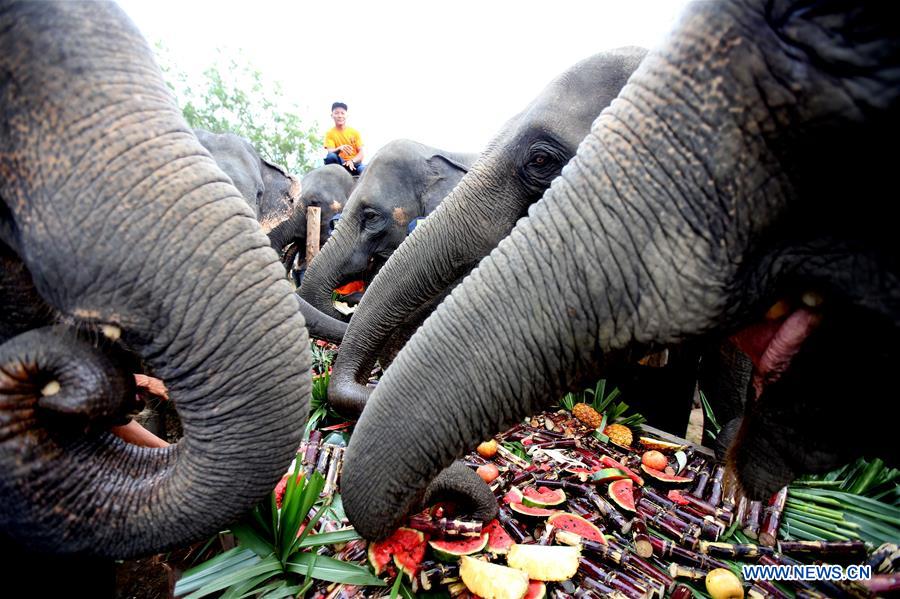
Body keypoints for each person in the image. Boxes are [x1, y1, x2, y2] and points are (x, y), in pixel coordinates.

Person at [323, 101, 365, 175]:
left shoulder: (354, 132)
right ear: (332, 115)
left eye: (342, 113)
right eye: (336, 113)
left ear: (347, 115)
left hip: (355, 163)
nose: (340, 116)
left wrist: (352, 161)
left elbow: (361, 153)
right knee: (331, 157)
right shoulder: (330, 133)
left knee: (364, 170)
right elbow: (330, 151)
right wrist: (339, 148)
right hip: (340, 163)